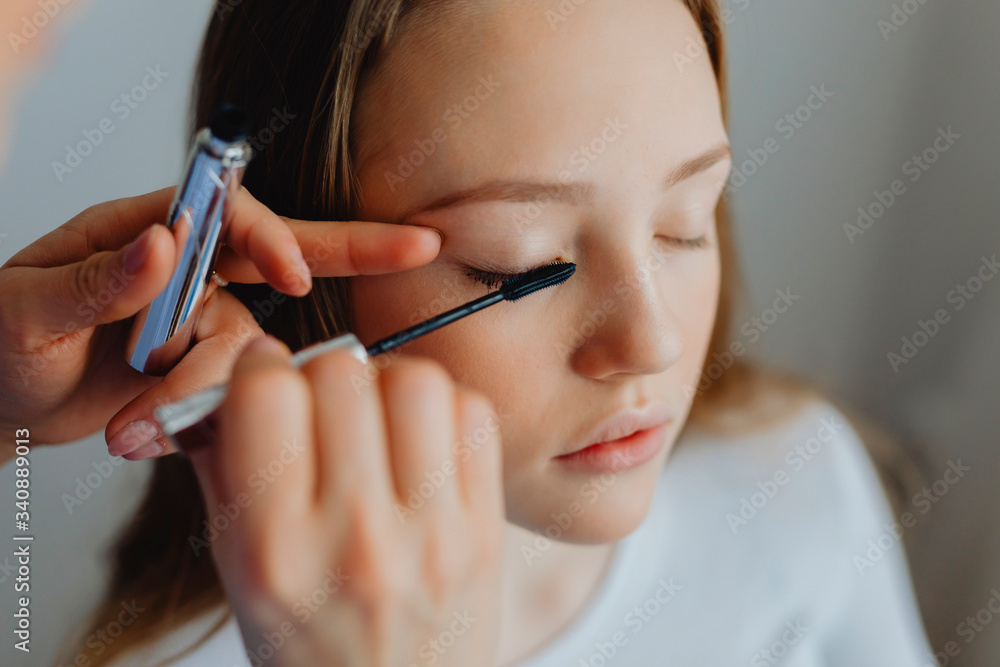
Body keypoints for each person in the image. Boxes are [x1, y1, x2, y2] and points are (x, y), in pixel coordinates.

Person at [51, 0, 935, 665]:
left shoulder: (797, 487)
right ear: (295, 285)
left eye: (685, 224)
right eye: (513, 267)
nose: (651, 341)